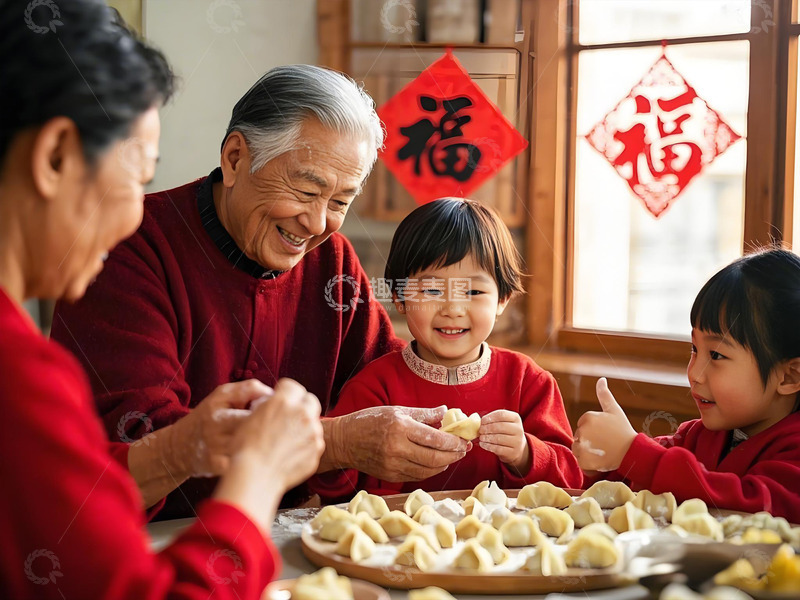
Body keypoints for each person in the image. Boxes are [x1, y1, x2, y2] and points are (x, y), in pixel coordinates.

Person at [0, 2, 324, 597]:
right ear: (55, 158)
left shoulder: (333, 262)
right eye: (139, 179)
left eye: (342, 198)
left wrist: (182, 448)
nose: (135, 216)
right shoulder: (19, 376)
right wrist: (257, 474)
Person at [50, 64, 470, 518]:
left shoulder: (334, 264)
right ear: (235, 159)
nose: (316, 223)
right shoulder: (128, 247)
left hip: (297, 543)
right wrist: (338, 443)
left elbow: (389, 385)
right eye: (306, 190)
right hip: (151, 549)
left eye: (340, 202)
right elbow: (140, 447)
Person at [312, 198, 583, 502]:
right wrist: (346, 453)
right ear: (400, 299)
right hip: (400, 546)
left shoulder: (529, 383)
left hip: (505, 546)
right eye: (431, 290)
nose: (453, 309)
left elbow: (571, 480)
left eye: (474, 291)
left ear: (502, 300)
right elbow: (329, 486)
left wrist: (524, 453)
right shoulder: (375, 387)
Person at [572, 248, 800, 522]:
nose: (694, 373)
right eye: (694, 349)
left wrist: (631, 451)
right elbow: (637, 479)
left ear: (789, 377)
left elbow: (750, 509)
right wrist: (603, 460)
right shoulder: (697, 436)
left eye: (716, 355)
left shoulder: (794, 450)